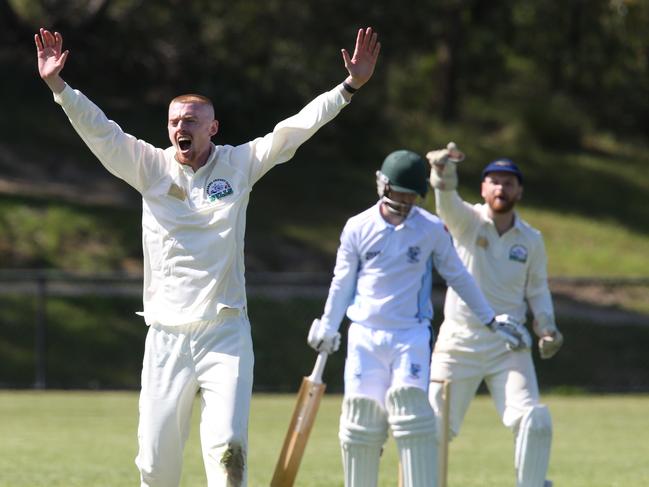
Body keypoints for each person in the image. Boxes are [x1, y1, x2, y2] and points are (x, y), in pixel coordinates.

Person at [35, 26, 380, 487]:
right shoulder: (149, 167)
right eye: (176, 121)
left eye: (193, 120)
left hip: (224, 332)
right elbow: (102, 132)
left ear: (212, 127)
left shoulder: (239, 164)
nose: (183, 127)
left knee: (228, 453)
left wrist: (349, 87)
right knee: (156, 466)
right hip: (166, 335)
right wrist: (60, 87)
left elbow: (294, 128)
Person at [307, 150, 528, 487]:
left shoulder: (430, 229)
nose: (405, 201)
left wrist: (490, 320)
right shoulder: (358, 227)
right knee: (362, 425)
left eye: (411, 195)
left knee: (412, 418)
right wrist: (328, 325)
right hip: (365, 335)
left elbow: (459, 275)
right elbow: (342, 282)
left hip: (409, 336)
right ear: (382, 184)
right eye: (399, 193)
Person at [426, 143, 565, 487]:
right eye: (495, 182)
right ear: (484, 188)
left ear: (519, 190)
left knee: (532, 420)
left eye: (509, 182)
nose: (501, 188)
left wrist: (547, 328)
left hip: (509, 344)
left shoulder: (531, 239)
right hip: (459, 341)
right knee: (432, 428)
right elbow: (446, 202)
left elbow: (536, 289)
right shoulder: (467, 222)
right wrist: (443, 172)